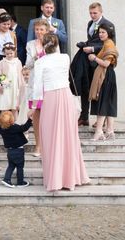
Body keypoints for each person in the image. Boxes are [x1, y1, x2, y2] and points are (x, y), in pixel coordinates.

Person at [32, 33, 89, 192]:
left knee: (50, 137)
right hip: (65, 96)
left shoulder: (40, 62)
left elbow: (37, 88)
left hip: (50, 97)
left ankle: (55, 177)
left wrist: (33, 106)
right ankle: (71, 176)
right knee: (68, 136)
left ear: (43, 45)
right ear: (57, 44)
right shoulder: (65, 57)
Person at [70, 2, 115, 126]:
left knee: (99, 89)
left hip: (99, 62)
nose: (92, 15)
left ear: (101, 12)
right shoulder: (90, 24)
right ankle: (84, 117)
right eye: (90, 13)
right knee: (86, 87)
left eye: (95, 13)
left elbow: (110, 44)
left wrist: (93, 49)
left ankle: (101, 119)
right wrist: (85, 45)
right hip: (88, 61)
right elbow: (92, 40)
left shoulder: (108, 25)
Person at [89, 24, 119, 140]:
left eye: (103, 32)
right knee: (108, 102)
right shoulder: (107, 44)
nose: (100, 34)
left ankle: (99, 131)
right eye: (100, 32)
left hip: (105, 75)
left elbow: (106, 64)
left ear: (109, 33)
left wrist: (94, 58)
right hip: (108, 75)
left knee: (103, 102)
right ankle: (110, 130)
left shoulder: (109, 44)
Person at [25, 19, 51, 157]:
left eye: (42, 30)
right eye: (37, 30)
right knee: (36, 116)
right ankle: (38, 146)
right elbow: (27, 64)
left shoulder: (52, 43)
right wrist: (36, 56)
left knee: (49, 116)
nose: (39, 32)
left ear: (46, 31)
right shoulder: (30, 44)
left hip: (48, 83)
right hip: (35, 83)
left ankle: (49, 146)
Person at [0, 110, 33, 187]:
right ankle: (20, 182)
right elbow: (24, 128)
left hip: (10, 151)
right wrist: (30, 119)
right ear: (12, 120)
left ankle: (7, 179)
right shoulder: (15, 127)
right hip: (19, 151)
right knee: (20, 167)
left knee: (11, 166)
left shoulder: (2, 129)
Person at [0, 42, 22, 114]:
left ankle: (16, 123)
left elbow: (20, 75)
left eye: (11, 53)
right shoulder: (2, 62)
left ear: (15, 52)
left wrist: (21, 86)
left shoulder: (18, 62)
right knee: (5, 105)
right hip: (6, 86)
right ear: (4, 53)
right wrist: (0, 85)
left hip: (15, 86)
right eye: (7, 54)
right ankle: (3, 123)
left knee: (15, 107)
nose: (9, 55)